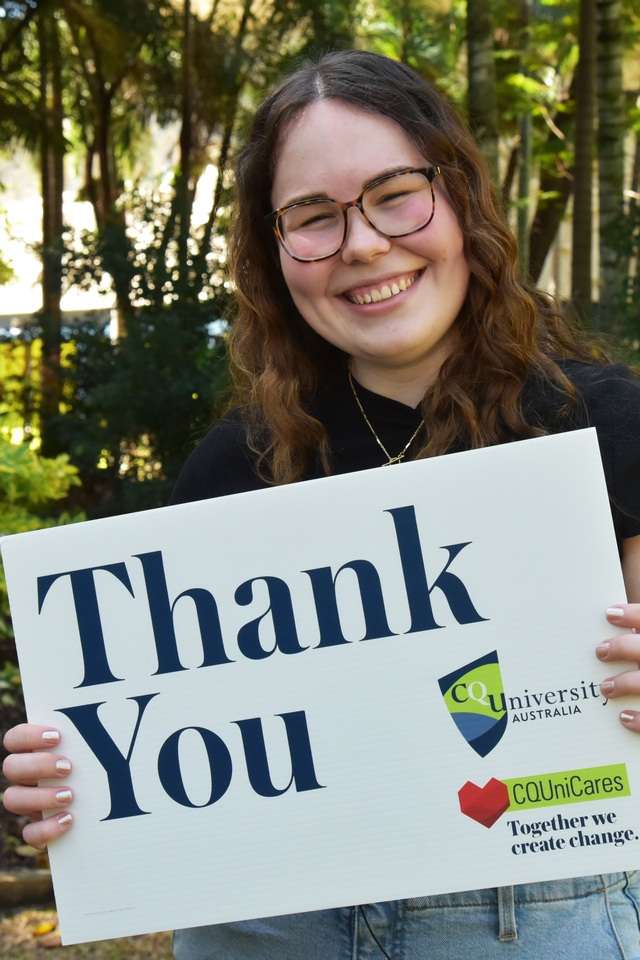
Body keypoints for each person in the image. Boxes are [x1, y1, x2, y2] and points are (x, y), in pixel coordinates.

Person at [3, 49, 640, 960]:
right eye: (313, 218)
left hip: (530, 920)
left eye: (396, 195)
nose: (364, 244)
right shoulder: (233, 470)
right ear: (274, 253)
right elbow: (150, 740)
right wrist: (66, 780)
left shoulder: (606, 426)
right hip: (266, 928)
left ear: (460, 198)